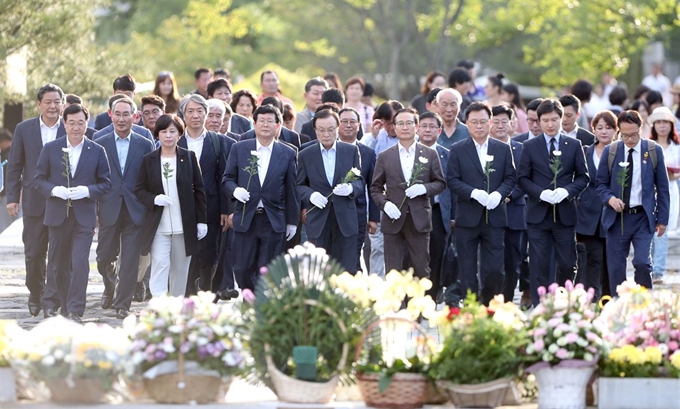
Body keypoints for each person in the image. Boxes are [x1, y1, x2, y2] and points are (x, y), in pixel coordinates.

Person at [33, 104, 111, 322]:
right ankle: (53, 304)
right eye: (72, 122)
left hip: (84, 217)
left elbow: (106, 184)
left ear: (87, 123)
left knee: (79, 262)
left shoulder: (97, 150)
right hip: (58, 214)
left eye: (81, 122)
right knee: (57, 262)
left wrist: (87, 191)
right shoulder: (51, 148)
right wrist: (54, 190)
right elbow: (38, 179)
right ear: (64, 123)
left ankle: (75, 309)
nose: (76, 127)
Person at [518, 99, 589, 305]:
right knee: (539, 263)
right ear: (538, 121)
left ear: (562, 118)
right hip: (538, 214)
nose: (550, 124)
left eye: (554, 119)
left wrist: (567, 192)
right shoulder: (530, 146)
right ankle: (542, 305)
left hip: (565, 213)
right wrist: (540, 193)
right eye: (545, 120)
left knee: (568, 262)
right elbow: (522, 178)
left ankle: (564, 301)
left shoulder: (573, 145)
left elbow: (583, 177)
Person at [223, 105, 299, 291]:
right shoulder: (239, 148)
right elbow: (227, 179)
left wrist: (292, 221)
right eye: (261, 121)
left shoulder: (288, 152)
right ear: (254, 124)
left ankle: (261, 305)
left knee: (267, 270)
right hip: (245, 217)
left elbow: (292, 190)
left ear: (278, 125)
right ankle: (249, 297)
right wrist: (235, 191)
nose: (265, 125)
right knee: (241, 267)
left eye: (270, 121)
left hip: (272, 219)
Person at [6, 83, 66, 317]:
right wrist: (13, 197)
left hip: (63, 200)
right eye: (48, 102)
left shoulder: (69, 127)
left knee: (59, 252)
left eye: (57, 102)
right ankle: (35, 292)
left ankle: (53, 297)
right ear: (39, 104)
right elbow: (14, 165)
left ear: (62, 104)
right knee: (33, 252)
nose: (53, 106)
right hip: (33, 199)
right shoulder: (24, 129)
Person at [448, 102, 516, 305]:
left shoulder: (502, 149)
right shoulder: (458, 149)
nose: (479, 126)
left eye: (483, 122)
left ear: (491, 122)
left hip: (494, 217)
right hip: (467, 218)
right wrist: (473, 193)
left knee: (495, 269)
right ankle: (471, 308)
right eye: (474, 122)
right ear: (466, 124)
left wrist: (499, 194)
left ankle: (490, 304)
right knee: (467, 269)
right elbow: (452, 180)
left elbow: (511, 178)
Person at [596, 110, 669, 295]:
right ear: (619, 131)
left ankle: (645, 304)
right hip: (617, 218)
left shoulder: (653, 151)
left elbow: (662, 188)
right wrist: (611, 199)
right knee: (616, 267)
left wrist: (663, 219)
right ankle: (618, 307)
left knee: (643, 262)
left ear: (641, 129)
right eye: (625, 135)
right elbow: (600, 184)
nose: (630, 139)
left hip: (642, 217)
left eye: (634, 134)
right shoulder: (611, 151)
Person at [95, 97, 155, 319]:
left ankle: (123, 303)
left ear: (135, 116)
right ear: (110, 115)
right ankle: (110, 285)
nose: (121, 119)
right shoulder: (98, 140)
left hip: (135, 208)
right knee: (103, 257)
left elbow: (149, 178)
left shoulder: (145, 143)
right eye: (117, 114)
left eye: (126, 114)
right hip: (108, 206)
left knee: (130, 259)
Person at [135, 114, 207, 297]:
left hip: (184, 225)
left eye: (172, 131)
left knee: (180, 270)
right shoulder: (149, 159)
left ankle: (175, 309)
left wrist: (201, 221)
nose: (168, 135)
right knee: (160, 264)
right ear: (157, 134)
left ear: (180, 134)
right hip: (159, 225)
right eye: (164, 131)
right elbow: (139, 189)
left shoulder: (189, 158)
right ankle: (159, 306)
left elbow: (199, 190)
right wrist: (153, 199)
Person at [370, 108, 446, 279]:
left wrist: (424, 188)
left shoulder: (429, 154)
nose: (405, 127)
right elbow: (375, 188)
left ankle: (419, 305)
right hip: (393, 218)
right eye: (400, 123)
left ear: (416, 127)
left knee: (421, 268)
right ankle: (396, 306)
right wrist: (386, 204)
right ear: (394, 128)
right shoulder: (384, 156)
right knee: (393, 270)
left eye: (409, 123)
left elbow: (440, 183)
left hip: (419, 218)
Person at [296, 109, 363, 273]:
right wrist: (311, 195)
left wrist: (350, 188)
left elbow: (360, 182)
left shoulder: (351, 151)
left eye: (331, 129)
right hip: (318, 219)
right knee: (318, 270)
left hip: (345, 220)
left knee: (346, 268)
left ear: (338, 128)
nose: (326, 134)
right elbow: (298, 185)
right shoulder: (305, 154)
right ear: (315, 130)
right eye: (321, 130)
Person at [177, 95, 231, 295]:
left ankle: (204, 294)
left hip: (211, 207)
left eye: (200, 111)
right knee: (183, 252)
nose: (195, 116)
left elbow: (224, 177)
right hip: (181, 207)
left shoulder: (219, 142)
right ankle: (185, 294)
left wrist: (226, 210)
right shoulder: (176, 140)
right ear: (183, 114)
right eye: (190, 111)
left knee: (208, 254)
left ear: (206, 115)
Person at [488, 105, 528, 306]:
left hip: (513, 211)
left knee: (513, 261)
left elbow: (525, 179)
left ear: (512, 124)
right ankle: (491, 300)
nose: (500, 125)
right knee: (492, 260)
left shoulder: (522, 149)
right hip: (488, 211)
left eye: (505, 121)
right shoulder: (484, 147)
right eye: (496, 121)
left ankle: (509, 301)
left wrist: (507, 195)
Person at [575, 110, 617, 300]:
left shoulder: (622, 152)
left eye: (608, 128)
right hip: (588, 212)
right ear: (593, 130)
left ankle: (607, 299)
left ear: (616, 130)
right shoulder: (585, 151)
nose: (604, 132)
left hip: (613, 213)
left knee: (611, 261)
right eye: (599, 128)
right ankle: (593, 297)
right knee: (593, 257)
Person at [418, 111, 455, 300]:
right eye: (423, 125)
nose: (427, 130)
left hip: (440, 213)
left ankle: (431, 299)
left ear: (439, 131)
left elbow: (453, 187)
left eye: (432, 126)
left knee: (436, 256)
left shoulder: (448, 155)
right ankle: (413, 298)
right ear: (417, 128)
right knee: (414, 256)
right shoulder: (408, 153)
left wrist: (454, 216)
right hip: (414, 213)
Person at [338, 107, 379, 273]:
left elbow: (373, 186)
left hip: (358, 213)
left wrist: (374, 218)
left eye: (352, 121)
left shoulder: (367, 153)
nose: (348, 125)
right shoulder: (327, 149)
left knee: (353, 258)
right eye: (344, 121)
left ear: (359, 125)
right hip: (331, 213)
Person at [647, 107, 680, 285]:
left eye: (665, 122)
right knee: (650, 229)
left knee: (663, 229)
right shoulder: (648, 146)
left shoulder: (677, 147)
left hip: (670, 189)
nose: (662, 126)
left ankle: (658, 270)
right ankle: (650, 266)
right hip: (651, 191)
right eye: (658, 122)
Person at [0, 129, 15, 234]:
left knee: (4, 227)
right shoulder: (20, 152)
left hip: (7, 195)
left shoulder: (5, 156)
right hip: (23, 194)